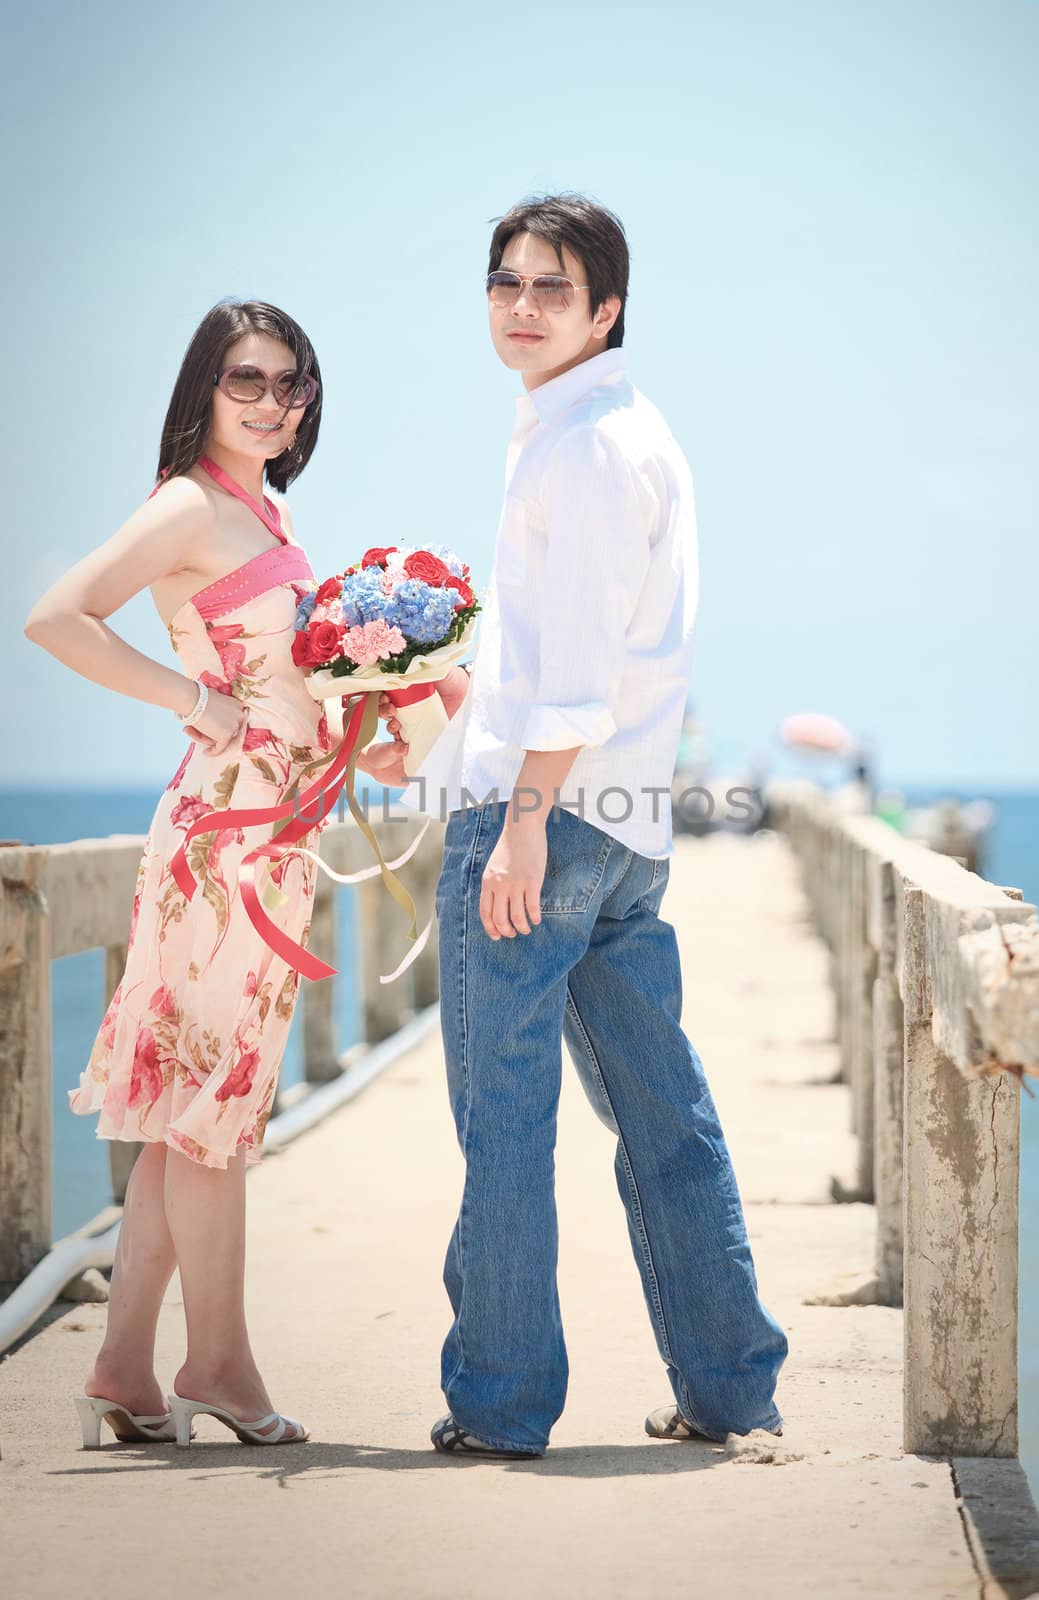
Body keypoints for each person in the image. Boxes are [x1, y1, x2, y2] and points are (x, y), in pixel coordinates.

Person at [380, 194, 790, 1458]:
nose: (521, 305)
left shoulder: (586, 446)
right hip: (618, 827)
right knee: (661, 1108)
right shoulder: (608, 430)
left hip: (548, 820)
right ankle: (728, 1385)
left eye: (551, 288)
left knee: (504, 1120)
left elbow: (580, 678)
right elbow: (557, 653)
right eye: (504, 282)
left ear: (605, 308)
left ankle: (501, 1405)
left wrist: (516, 823)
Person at [24, 299, 383, 1449]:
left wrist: (351, 718)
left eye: (292, 385)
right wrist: (194, 703)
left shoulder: (256, 507)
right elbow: (54, 617)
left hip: (265, 829)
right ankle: (218, 1363)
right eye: (248, 379)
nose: (272, 402)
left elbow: (279, 681)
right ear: (203, 387)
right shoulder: (187, 502)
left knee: (192, 1102)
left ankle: (126, 1371)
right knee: (213, 1109)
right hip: (227, 834)